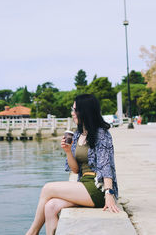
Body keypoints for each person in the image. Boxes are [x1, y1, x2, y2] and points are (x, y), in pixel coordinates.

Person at [26, 94, 119, 235]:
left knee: (47, 188)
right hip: (83, 184)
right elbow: (75, 170)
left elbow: (105, 166)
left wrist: (109, 193)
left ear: (85, 111)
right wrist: (68, 151)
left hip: (98, 187)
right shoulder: (77, 135)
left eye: (75, 110)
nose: (72, 113)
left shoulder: (102, 134)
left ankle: (32, 232)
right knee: (50, 207)